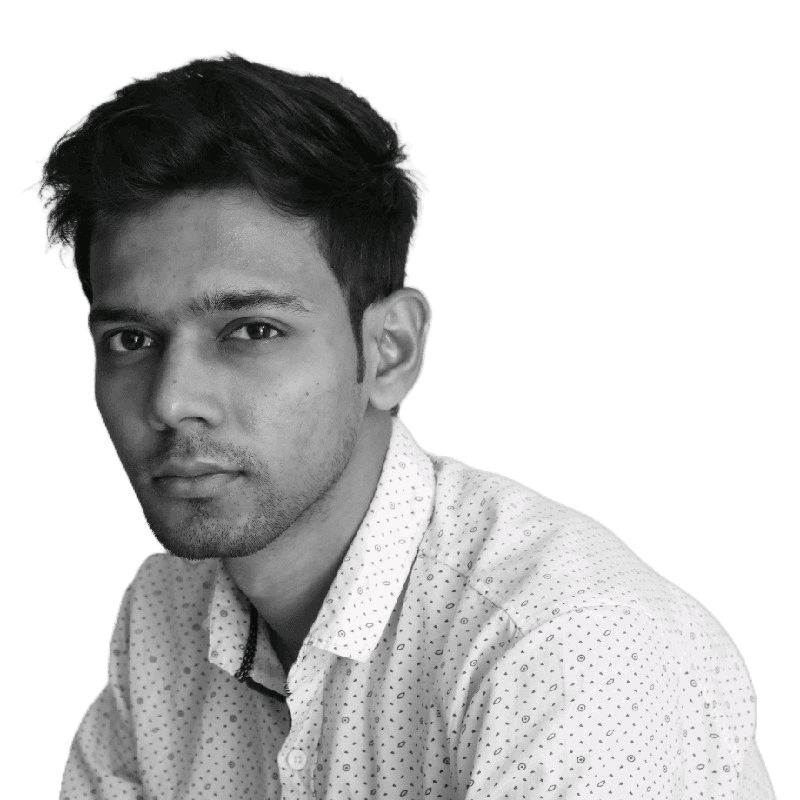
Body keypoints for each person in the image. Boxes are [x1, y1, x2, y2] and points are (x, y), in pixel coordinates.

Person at [34, 51, 774, 800]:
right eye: (131, 340)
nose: (170, 401)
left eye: (251, 330)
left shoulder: (569, 641)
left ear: (390, 351)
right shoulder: (167, 607)